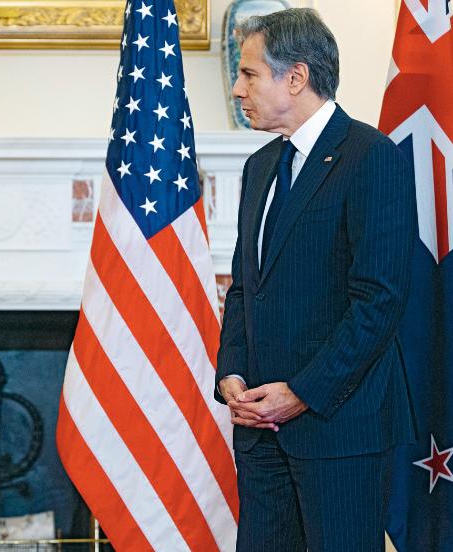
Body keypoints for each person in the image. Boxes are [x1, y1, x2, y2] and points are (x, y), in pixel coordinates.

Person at [215, 9, 416, 552]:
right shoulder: (260, 166)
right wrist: (231, 369)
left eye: (249, 74)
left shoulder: (371, 157)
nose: (237, 89)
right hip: (260, 433)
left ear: (296, 77)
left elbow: (379, 301)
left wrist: (302, 393)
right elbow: (246, 286)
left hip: (339, 430)